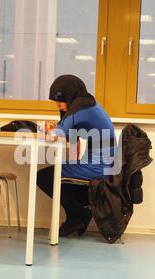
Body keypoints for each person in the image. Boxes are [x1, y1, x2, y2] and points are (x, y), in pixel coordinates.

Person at [37, 74, 115, 237]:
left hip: (99, 166)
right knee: (59, 174)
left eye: (60, 100)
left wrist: (43, 129)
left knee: (44, 177)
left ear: (69, 95)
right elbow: (72, 141)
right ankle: (77, 216)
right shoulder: (86, 103)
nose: (58, 105)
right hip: (102, 163)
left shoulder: (82, 106)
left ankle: (80, 215)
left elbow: (59, 133)